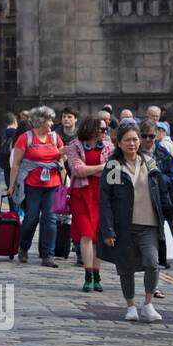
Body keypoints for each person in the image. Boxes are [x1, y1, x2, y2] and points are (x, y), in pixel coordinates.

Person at [99, 123, 173, 323]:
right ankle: (130, 305)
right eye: (127, 140)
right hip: (124, 225)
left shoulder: (149, 162)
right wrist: (108, 229)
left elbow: (161, 191)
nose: (132, 143)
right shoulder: (114, 166)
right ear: (119, 143)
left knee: (152, 263)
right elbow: (107, 199)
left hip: (149, 224)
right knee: (127, 267)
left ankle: (148, 304)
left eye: (135, 139)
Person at [8, 106, 68, 267]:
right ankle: (24, 247)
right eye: (49, 120)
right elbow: (16, 165)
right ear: (41, 121)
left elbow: (62, 159)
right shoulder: (26, 138)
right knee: (31, 218)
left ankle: (48, 255)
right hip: (32, 184)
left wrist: (64, 181)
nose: (52, 123)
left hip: (52, 185)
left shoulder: (55, 138)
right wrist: (11, 186)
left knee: (50, 218)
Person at [65, 115, 113, 293]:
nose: (104, 133)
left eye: (105, 130)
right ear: (91, 129)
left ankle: (97, 274)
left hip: (102, 194)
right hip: (81, 194)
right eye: (101, 129)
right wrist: (102, 168)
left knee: (97, 236)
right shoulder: (74, 146)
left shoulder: (109, 146)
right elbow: (77, 170)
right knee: (86, 234)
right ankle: (88, 275)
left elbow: (113, 171)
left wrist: (91, 170)